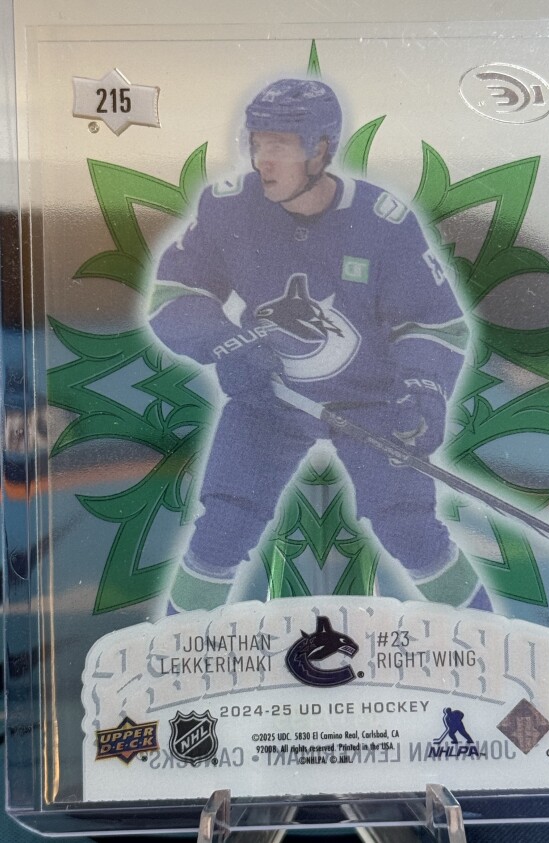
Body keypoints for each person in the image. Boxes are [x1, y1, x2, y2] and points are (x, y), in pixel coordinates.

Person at [148, 77, 491, 613]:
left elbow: (433, 323)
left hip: (373, 398)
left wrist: (424, 391)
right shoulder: (229, 209)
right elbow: (175, 293)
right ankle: (175, 648)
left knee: (408, 527)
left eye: (281, 145)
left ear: (321, 149)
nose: (263, 160)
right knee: (224, 524)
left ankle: (483, 638)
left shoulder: (382, 223)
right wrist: (226, 344)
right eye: (257, 142)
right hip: (271, 394)